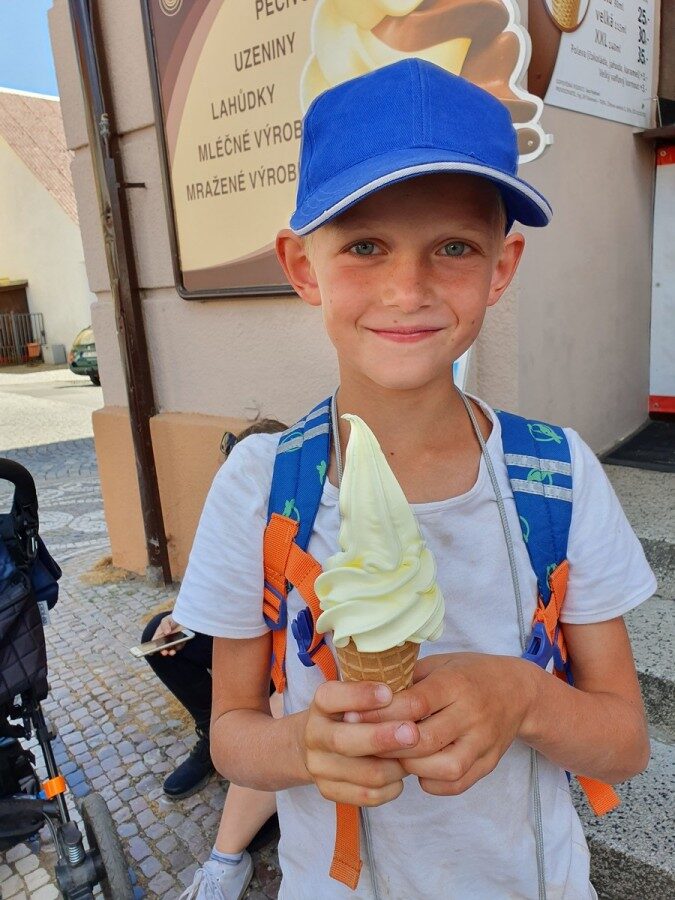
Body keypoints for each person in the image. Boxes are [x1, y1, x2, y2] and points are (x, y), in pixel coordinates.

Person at [173, 60, 655, 899]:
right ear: (302, 266)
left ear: (500, 266)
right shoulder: (259, 487)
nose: (407, 290)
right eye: (364, 246)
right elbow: (232, 735)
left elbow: (624, 744)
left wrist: (526, 697)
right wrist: (301, 746)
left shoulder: (557, 475)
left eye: (453, 248)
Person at [141, 419, 286, 899]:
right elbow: (221, 592)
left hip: (286, 662)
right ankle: (212, 733)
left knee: (280, 706)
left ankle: (261, 794)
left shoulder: (300, 513)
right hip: (248, 645)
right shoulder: (233, 514)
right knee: (160, 638)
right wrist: (180, 620)